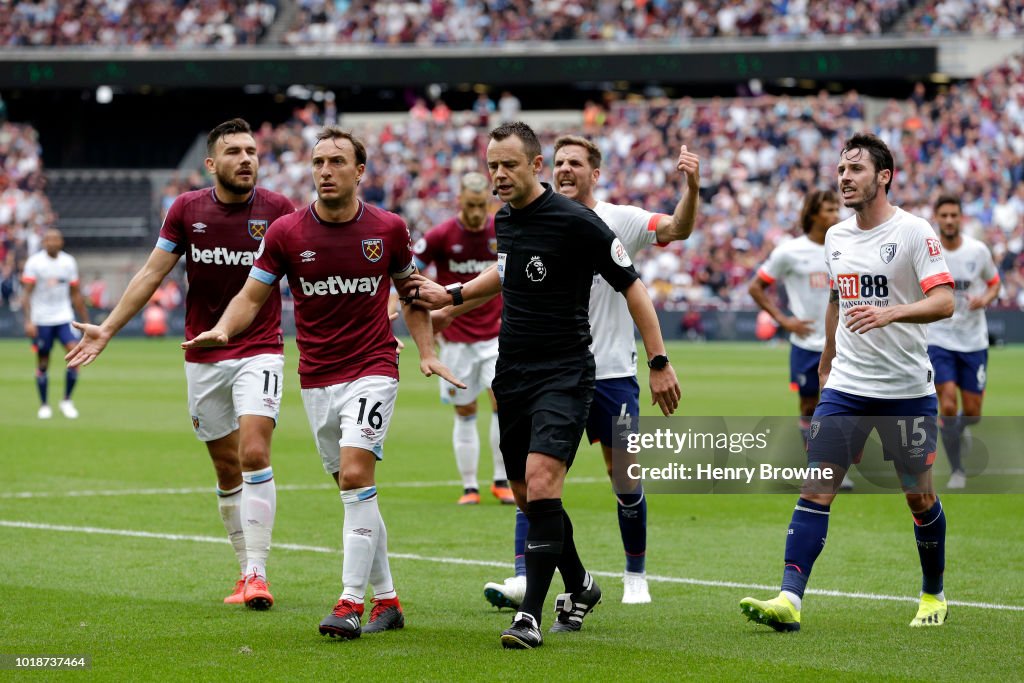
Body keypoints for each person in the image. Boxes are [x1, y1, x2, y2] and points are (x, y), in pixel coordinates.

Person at [409, 121, 680, 649]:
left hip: (566, 372)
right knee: (529, 498)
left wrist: (659, 360)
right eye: (492, 166)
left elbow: (635, 288)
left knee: (541, 481)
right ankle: (580, 584)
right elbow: (506, 272)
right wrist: (453, 293)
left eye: (509, 165)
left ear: (536, 166)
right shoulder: (506, 220)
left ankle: (529, 616)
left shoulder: (580, 223)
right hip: (512, 372)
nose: (498, 175)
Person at [183, 126, 462, 640]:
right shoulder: (287, 233)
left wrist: (425, 352)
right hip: (317, 377)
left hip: (374, 368)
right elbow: (250, 296)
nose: (325, 171)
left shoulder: (389, 228)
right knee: (352, 489)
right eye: (318, 163)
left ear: (359, 171)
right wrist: (223, 327)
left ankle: (349, 603)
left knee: (356, 475)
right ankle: (389, 599)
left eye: (336, 161)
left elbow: (413, 291)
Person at [65, 118, 295, 610]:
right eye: (234, 151)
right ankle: (243, 571)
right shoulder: (187, 209)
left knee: (254, 452)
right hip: (202, 352)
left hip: (260, 345)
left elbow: (315, 267)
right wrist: (107, 327)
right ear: (211, 164)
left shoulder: (278, 209)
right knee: (225, 464)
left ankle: (258, 573)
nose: (246, 159)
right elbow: (152, 272)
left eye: (252, 151)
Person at [740, 133, 955, 632]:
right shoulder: (835, 237)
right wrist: (826, 360)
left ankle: (933, 593)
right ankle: (789, 599)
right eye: (841, 169)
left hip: (906, 390)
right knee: (816, 488)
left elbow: (944, 300)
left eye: (855, 169)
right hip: (846, 388)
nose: (843, 177)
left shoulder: (914, 231)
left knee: (918, 497)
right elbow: (838, 298)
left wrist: (894, 312)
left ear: (884, 176)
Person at [483, 135, 700, 608]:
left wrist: (692, 188)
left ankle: (635, 573)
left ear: (595, 173)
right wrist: (453, 299)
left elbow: (678, 228)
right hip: (548, 374)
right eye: (559, 163)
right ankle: (527, 575)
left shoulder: (618, 219)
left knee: (623, 475)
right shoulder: (526, 219)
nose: (564, 170)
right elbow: (505, 276)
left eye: (575, 163)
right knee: (532, 475)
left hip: (612, 374)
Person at [413, 172, 514, 506]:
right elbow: (410, 268)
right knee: (465, 410)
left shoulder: (500, 229)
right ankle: (470, 486)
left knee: (503, 404)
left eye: (481, 204)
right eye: (469, 205)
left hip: (496, 337)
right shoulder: (442, 235)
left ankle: (501, 480)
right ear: (459, 200)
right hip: (455, 341)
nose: (475, 211)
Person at [748, 190, 855, 491]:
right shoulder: (789, 251)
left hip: (844, 343)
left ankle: (837, 467)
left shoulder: (846, 247)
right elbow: (756, 287)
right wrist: (783, 321)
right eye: (829, 209)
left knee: (840, 407)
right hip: (807, 344)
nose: (836, 213)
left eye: (837, 208)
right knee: (809, 407)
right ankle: (817, 469)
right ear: (812, 214)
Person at [926, 195, 1000, 489]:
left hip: (973, 341)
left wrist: (986, 298)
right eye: (943, 215)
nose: (948, 220)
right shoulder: (928, 253)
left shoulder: (977, 251)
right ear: (936, 218)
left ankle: (959, 426)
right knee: (946, 403)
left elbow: (995, 284)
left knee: (972, 412)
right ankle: (958, 470)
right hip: (939, 339)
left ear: (960, 218)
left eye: (953, 215)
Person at [21, 228, 90, 419]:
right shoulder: (35, 263)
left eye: (56, 239)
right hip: (41, 319)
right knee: (43, 361)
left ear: (61, 242)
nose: (52, 242)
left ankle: (66, 400)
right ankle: (44, 405)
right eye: (49, 239)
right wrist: (28, 321)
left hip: (63, 317)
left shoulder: (68, 262)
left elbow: (75, 293)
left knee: (74, 354)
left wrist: (86, 321)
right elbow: (26, 294)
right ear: (44, 243)